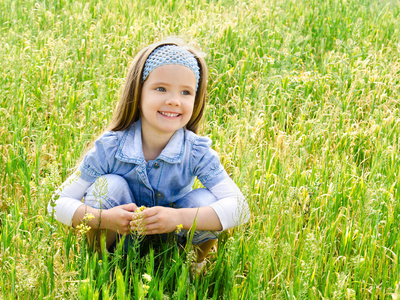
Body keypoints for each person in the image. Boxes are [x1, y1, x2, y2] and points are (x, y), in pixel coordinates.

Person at [48, 38, 250, 272]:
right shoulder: (111, 147)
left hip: (174, 244)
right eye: (161, 88)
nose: (174, 100)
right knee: (108, 185)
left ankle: (191, 268)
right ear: (138, 91)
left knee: (206, 200)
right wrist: (103, 218)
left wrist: (177, 218)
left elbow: (240, 208)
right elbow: (55, 203)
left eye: (186, 92)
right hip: (120, 240)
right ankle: (103, 266)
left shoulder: (196, 151)